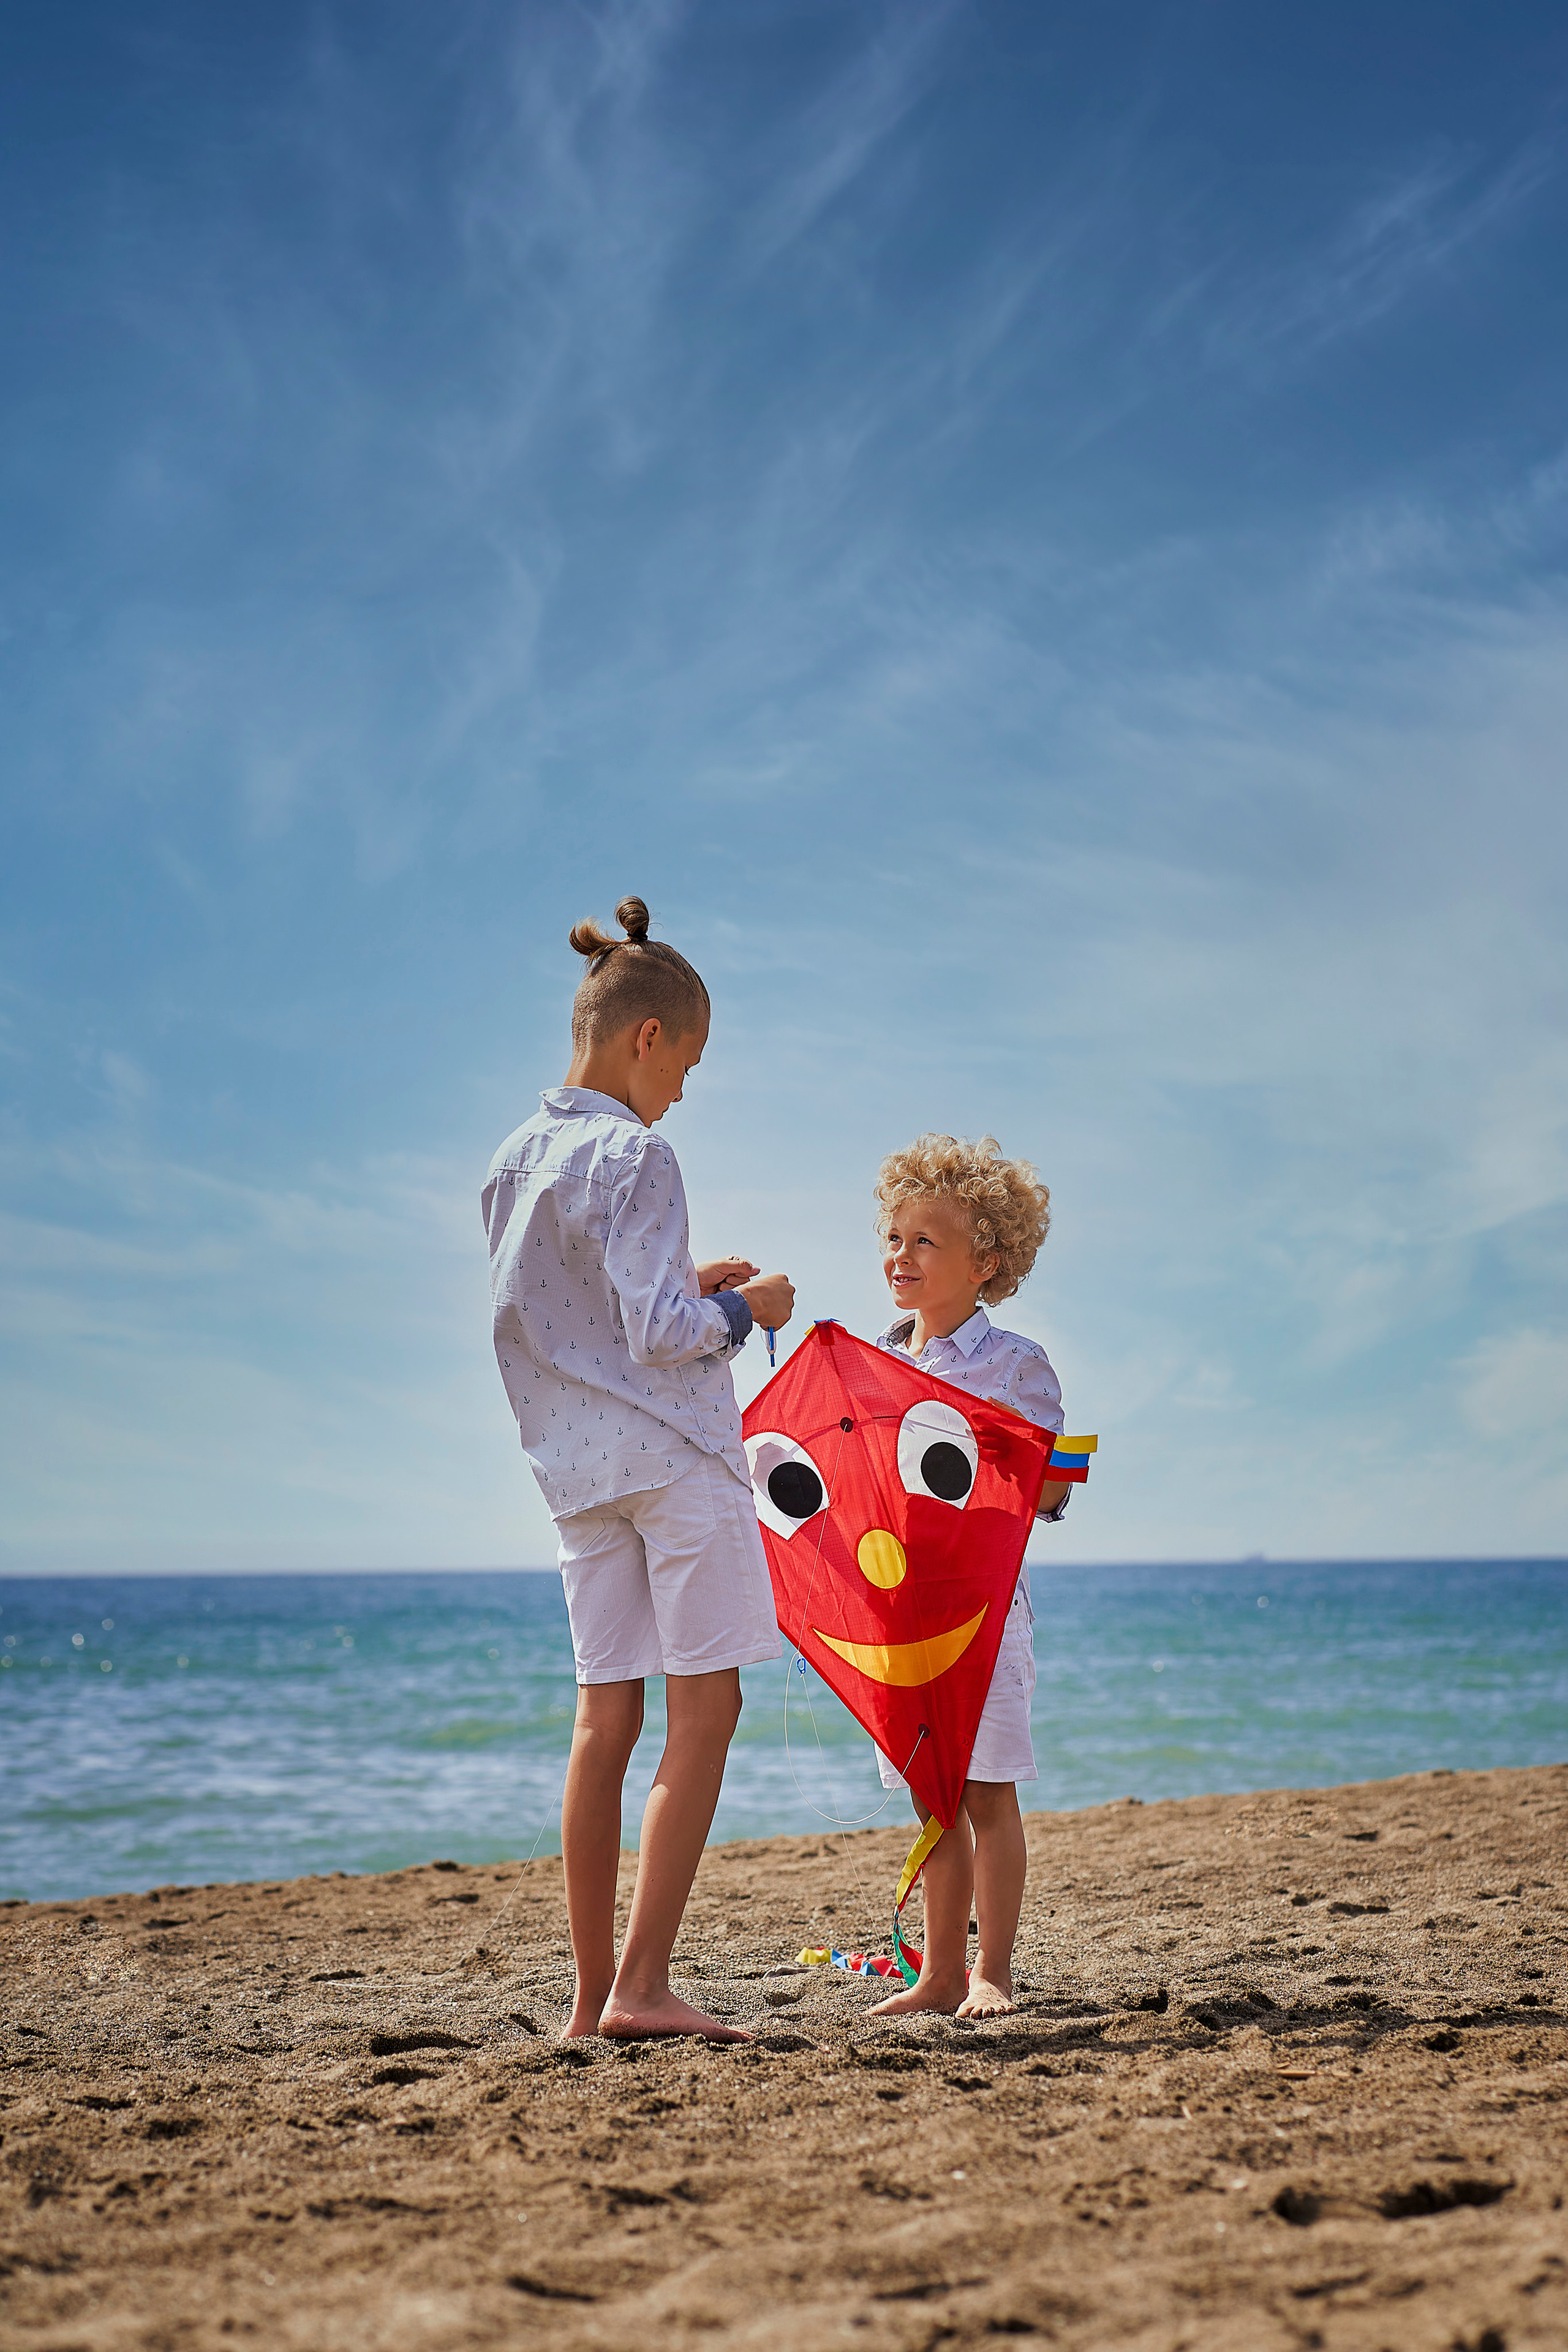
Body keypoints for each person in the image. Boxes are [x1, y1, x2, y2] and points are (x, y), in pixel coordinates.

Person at [482, 895, 794, 2041]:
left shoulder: (512, 1162)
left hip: (574, 1473)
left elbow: (559, 1315)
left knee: (600, 1723)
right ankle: (644, 1984)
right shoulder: (638, 1152)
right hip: (674, 1460)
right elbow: (667, 1337)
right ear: (645, 1036)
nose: (682, 1091)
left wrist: (680, 1282)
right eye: (688, 1064)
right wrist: (741, 1307)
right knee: (706, 1708)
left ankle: (584, 1996)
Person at [864, 1133, 1071, 2020]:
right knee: (931, 1802)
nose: (900, 1257)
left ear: (985, 1262)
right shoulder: (877, 1356)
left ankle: (994, 1972)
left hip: (983, 1615)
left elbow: (1055, 1489)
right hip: (898, 1618)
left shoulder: (1016, 1364)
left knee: (986, 1793)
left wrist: (1005, 1442)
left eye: (925, 1242)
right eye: (895, 1237)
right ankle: (938, 1974)